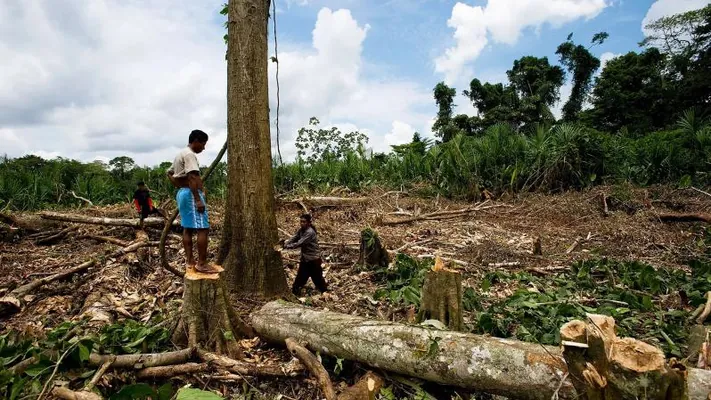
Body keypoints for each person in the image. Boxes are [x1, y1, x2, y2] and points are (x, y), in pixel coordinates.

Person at [167, 129, 218, 273]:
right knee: (203, 228)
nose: (204, 147)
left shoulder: (180, 154)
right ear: (195, 141)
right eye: (203, 143)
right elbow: (192, 177)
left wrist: (178, 185)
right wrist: (198, 199)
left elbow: (169, 172)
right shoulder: (189, 155)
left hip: (182, 193)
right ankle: (201, 263)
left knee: (187, 228)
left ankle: (190, 261)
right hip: (191, 194)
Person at [283, 214, 328, 295]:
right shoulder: (301, 230)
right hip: (305, 259)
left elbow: (300, 243)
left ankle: (325, 293)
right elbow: (295, 237)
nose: (301, 223)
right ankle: (295, 293)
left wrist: (287, 247)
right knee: (300, 278)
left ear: (308, 223)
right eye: (301, 221)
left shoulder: (310, 232)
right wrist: (285, 243)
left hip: (313, 260)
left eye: (304, 222)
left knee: (318, 279)